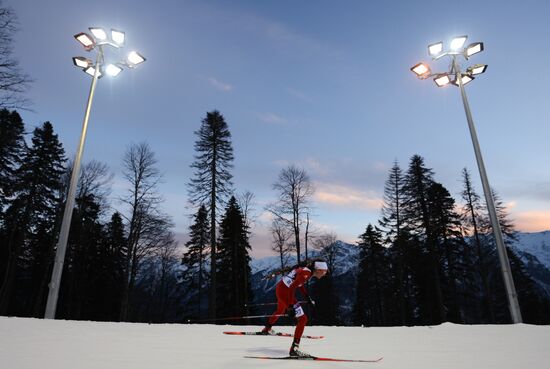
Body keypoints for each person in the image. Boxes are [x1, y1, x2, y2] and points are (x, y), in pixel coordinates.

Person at [261, 259, 329, 357]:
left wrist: (307, 297)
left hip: (281, 288)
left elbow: (298, 284)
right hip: (285, 292)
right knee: (303, 319)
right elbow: (292, 288)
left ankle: (267, 328)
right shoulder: (306, 273)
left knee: (280, 310)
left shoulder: (306, 271)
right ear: (318, 270)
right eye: (324, 271)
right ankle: (294, 348)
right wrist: (290, 307)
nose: (324, 274)